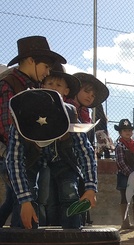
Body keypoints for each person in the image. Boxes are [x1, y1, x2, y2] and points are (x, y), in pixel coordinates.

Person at [6, 89, 97, 230]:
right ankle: (23, 237)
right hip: (30, 160)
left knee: (69, 191)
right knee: (25, 194)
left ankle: (73, 236)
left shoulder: (70, 117)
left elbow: (86, 152)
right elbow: (14, 162)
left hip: (63, 158)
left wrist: (90, 187)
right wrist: (24, 201)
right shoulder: (19, 123)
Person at [0, 36, 66, 228]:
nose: (47, 72)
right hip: (14, 155)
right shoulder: (9, 84)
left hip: (32, 155)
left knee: (17, 200)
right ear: (30, 60)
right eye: (45, 66)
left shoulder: (35, 87)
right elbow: (6, 125)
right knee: (23, 199)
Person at [41, 63, 82, 226]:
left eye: (58, 85)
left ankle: (73, 233)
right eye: (50, 83)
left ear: (66, 91)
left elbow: (81, 143)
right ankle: (49, 238)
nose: (53, 87)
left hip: (66, 163)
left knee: (70, 196)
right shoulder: (36, 109)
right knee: (48, 202)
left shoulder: (71, 111)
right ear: (42, 86)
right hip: (44, 163)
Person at [69, 72, 110, 226]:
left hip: (80, 162)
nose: (90, 97)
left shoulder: (85, 113)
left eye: (92, 95)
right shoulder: (68, 108)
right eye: (86, 91)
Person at [114, 118, 134, 230]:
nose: (128, 132)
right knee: (125, 197)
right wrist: (131, 174)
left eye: (129, 130)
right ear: (120, 133)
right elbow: (120, 162)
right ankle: (125, 222)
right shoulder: (119, 146)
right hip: (124, 175)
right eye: (124, 130)